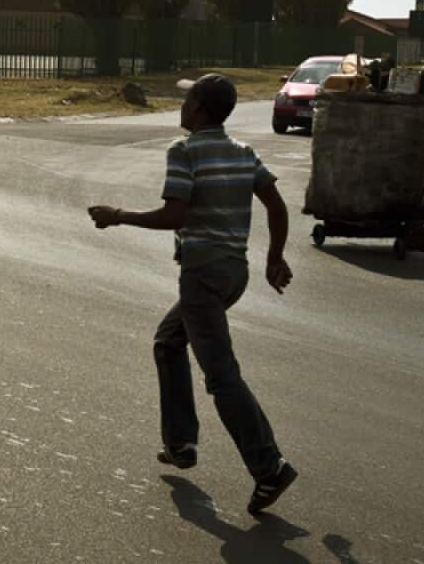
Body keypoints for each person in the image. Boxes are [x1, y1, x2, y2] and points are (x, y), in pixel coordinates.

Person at [87, 74, 297, 516]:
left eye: (187, 101)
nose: (183, 107)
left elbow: (174, 214)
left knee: (222, 377)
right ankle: (180, 441)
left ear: (199, 109)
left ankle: (269, 466)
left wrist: (117, 215)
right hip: (233, 273)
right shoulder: (244, 153)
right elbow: (275, 205)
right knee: (168, 340)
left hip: (202, 274)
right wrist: (273, 257)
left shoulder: (184, 152)